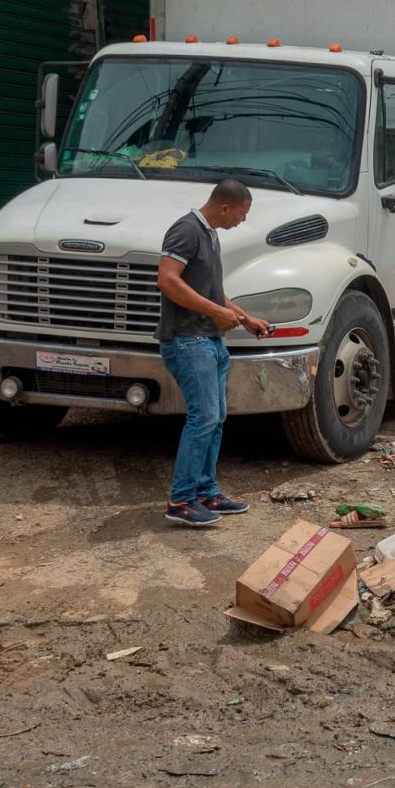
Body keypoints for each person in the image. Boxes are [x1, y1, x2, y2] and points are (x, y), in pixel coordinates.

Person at [154, 179, 269, 527]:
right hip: (188, 340)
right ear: (224, 207)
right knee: (203, 418)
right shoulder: (186, 230)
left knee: (216, 419)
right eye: (242, 213)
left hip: (209, 340)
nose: (243, 220)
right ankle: (182, 500)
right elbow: (167, 280)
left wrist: (244, 318)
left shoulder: (211, 234)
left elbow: (213, 293)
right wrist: (215, 313)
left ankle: (207, 492)